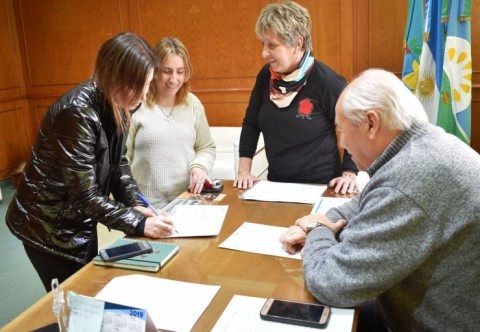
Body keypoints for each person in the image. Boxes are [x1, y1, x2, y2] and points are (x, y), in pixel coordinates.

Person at [280, 68, 480, 331]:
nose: (342, 143)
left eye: (341, 130)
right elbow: (369, 200)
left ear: (371, 123)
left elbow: (332, 283)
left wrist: (317, 229)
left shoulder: (410, 177)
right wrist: (324, 221)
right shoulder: (420, 146)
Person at [6, 32, 177, 291]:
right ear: (115, 77)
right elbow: (84, 196)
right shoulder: (76, 113)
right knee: (72, 302)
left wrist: (135, 204)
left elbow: (118, 164)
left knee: (88, 293)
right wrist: (139, 223)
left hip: (78, 221)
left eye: (147, 84)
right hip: (46, 225)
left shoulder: (122, 102)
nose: (144, 95)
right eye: (138, 85)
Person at [233, 1, 358, 194]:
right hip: (276, 185)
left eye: (272, 45)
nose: (264, 53)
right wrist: (243, 172)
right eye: (263, 44)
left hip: (322, 187)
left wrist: (349, 173)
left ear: (297, 44)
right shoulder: (266, 76)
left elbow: (354, 124)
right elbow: (251, 123)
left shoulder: (327, 81)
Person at [126, 37, 215, 209]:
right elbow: (122, 159)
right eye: (167, 71)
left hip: (187, 203)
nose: (174, 79)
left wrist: (199, 167)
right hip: (147, 208)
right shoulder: (137, 104)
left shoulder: (192, 104)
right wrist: (132, 203)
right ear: (154, 71)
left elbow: (206, 147)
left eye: (180, 72)